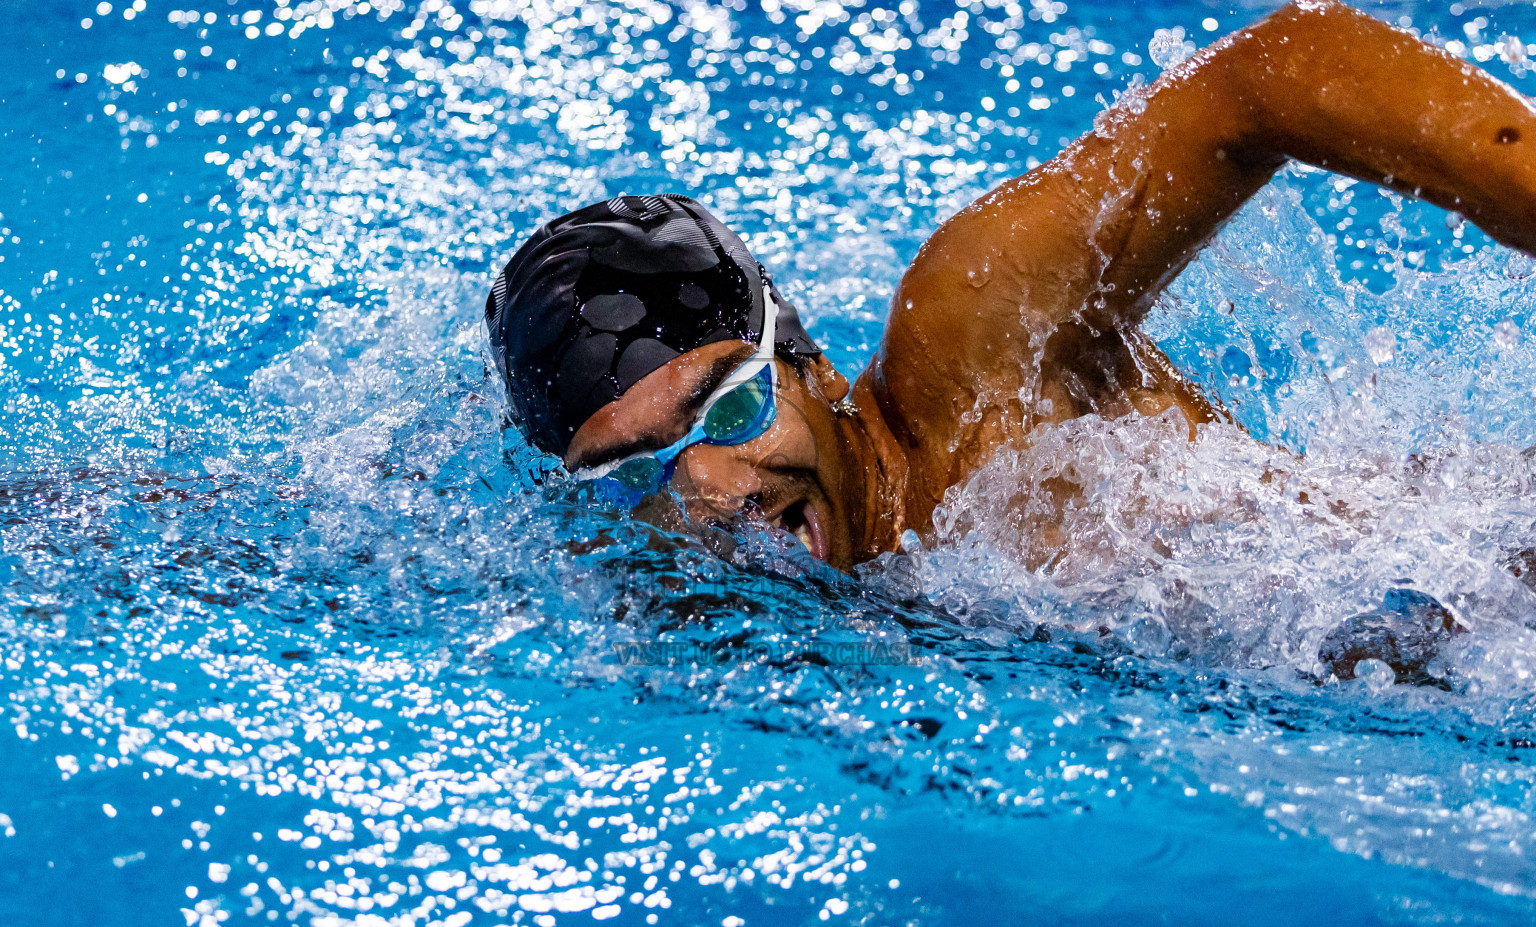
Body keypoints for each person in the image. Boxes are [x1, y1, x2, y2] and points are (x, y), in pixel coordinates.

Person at [484, 0, 1536, 573]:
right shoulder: (720, 593)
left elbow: (1265, 78)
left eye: (733, 406)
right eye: (637, 471)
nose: (714, 492)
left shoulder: (974, 355)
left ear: (802, 357)